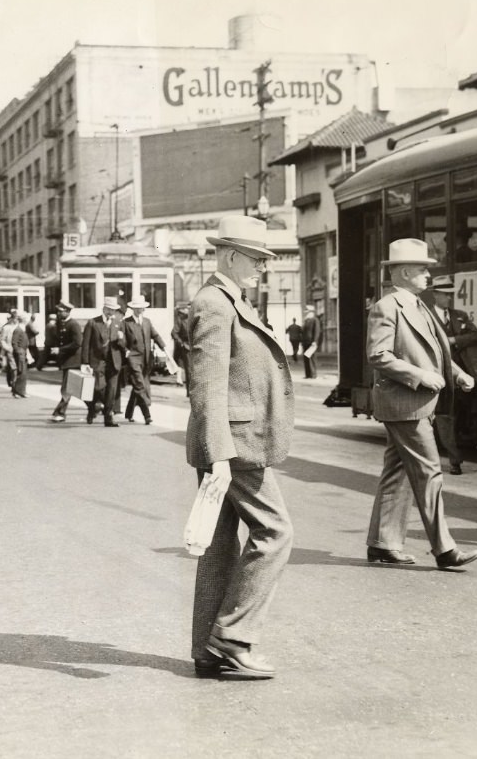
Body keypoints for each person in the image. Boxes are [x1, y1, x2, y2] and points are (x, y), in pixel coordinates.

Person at [186, 214, 294, 679]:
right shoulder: (215, 303)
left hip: (232, 440)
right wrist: (220, 455)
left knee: (221, 547)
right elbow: (206, 385)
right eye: (257, 259)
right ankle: (232, 636)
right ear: (231, 255)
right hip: (236, 444)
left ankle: (207, 651)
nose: (263, 268)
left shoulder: (228, 300)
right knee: (276, 532)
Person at [365, 238, 477, 570]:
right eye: (422, 270)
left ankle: (382, 545)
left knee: (396, 472)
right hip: (405, 403)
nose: (429, 276)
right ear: (403, 272)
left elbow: (437, 352)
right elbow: (378, 355)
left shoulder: (419, 305)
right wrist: (419, 377)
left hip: (415, 402)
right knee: (430, 472)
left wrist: (457, 374)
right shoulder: (387, 307)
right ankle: (445, 549)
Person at [427, 276, 477, 475]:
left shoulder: (459, 316)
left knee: (455, 416)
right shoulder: (426, 316)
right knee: (445, 417)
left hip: (460, 375)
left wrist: (453, 339)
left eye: (450, 295)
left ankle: (450, 455)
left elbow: (476, 335)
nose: (449, 298)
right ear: (435, 295)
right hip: (438, 374)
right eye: (445, 295)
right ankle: (454, 460)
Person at [121, 295, 168, 425]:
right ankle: (147, 415)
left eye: (141, 308)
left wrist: (164, 347)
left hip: (146, 359)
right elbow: (122, 340)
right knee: (140, 385)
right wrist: (126, 350)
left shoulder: (147, 321)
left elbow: (155, 335)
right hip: (133, 359)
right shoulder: (126, 323)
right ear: (132, 309)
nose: (140, 310)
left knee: (137, 386)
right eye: (137, 308)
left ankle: (128, 412)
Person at [81, 296, 125, 427]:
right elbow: (86, 344)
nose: (111, 312)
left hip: (114, 361)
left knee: (111, 390)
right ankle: (92, 408)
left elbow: (124, 344)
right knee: (99, 388)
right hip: (98, 361)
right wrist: (85, 363)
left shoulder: (118, 323)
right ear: (104, 309)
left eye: (114, 310)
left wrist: (120, 339)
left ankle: (108, 418)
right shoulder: (93, 323)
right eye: (109, 309)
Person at [50, 301, 84, 422]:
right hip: (66, 360)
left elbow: (77, 343)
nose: (59, 313)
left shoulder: (73, 324)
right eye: (58, 311)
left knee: (67, 388)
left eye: (61, 311)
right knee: (74, 388)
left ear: (68, 312)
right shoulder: (61, 324)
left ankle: (60, 412)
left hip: (73, 360)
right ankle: (96, 406)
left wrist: (60, 350)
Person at [299, 307, 323, 379]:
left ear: (311, 312)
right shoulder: (306, 321)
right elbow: (303, 332)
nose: (305, 312)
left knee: (311, 358)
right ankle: (308, 374)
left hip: (311, 343)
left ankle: (313, 374)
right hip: (305, 342)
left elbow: (317, 331)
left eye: (307, 311)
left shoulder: (315, 320)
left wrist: (315, 341)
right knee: (306, 358)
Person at [10, 312, 29, 398]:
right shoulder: (18, 330)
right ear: (24, 320)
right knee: (21, 372)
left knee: (23, 373)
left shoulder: (22, 329)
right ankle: (17, 391)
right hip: (20, 353)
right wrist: (18, 351)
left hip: (23, 352)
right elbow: (14, 342)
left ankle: (21, 391)